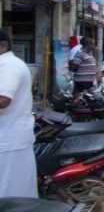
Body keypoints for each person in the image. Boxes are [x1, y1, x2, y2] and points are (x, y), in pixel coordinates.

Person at [0, 29, 38, 198]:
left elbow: (3, 100)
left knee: (11, 194)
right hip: (10, 138)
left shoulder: (8, 65)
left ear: (2, 46)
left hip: (9, 140)